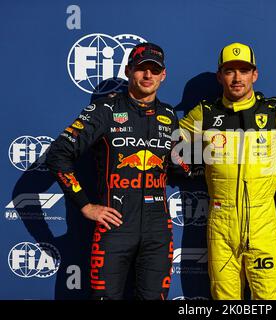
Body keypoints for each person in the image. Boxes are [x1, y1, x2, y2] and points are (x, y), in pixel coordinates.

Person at [46, 42, 180, 300]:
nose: (148, 75)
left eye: (155, 69)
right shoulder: (104, 110)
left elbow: (180, 164)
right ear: (129, 71)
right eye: (142, 69)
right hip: (115, 227)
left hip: (158, 231)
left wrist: (215, 153)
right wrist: (85, 205)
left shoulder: (169, 115)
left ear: (164, 75)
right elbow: (58, 154)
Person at [179, 42, 276, 299]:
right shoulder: (205, 113)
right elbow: (167, 144)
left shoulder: (274, 111)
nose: (237, 78)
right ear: (220, 76)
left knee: (269, 297)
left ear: (254, 75)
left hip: (262, 224)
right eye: (230, 71)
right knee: (225, 298)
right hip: (221, 224)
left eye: (243, 70)